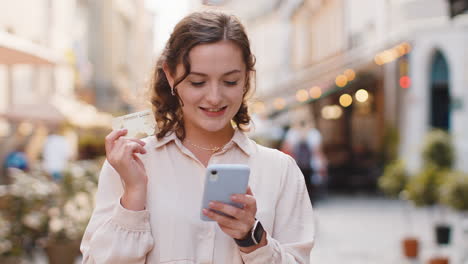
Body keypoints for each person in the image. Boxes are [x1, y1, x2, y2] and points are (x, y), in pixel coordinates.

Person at [81, 11, 315, 264]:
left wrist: (252, 238)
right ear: (171, 76)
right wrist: (134, 195)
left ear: (247, 77)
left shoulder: (279, 170)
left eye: (230, 81)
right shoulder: (131, 163)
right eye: (197, 82)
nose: (214, 97)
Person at [281, 119, 328, 202]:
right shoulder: (293, 133)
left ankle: (307, 199)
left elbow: (317, 150)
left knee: (308, 181)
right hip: (297, 161)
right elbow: (288, 148)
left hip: (309, 162)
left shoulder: (313, 133)